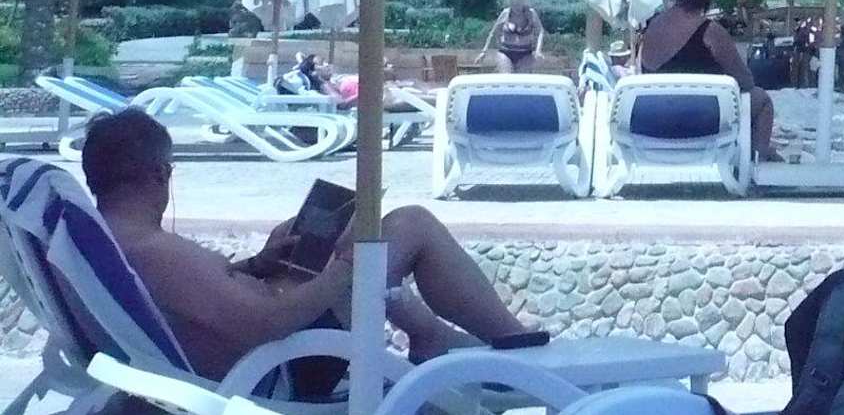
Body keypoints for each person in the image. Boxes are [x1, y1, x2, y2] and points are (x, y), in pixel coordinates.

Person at [81, 109, 529, 380]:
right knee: (412, 224)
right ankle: (517, 346)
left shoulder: (112, 240)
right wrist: (347, 263)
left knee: (336, 238)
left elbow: (200, 302)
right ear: (159, 173)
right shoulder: (153, 251)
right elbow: (269, 323)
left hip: (265, 346)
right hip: (288, 362)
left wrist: (259, 264)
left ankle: (436, 337)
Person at [638, 0, 775, 160]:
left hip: (654, 122)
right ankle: (758, 158)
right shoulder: (711, 33)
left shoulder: (652, 27)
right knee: (761, 100)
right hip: (700, 125)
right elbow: (746, 82)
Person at [479, 0, 544, 73]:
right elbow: (493, 32)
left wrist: (538, 50)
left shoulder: (531, 14)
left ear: (523, 2)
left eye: (518, 4)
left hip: (525, 53)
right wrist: (484, 52)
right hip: (506, 52)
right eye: (513, 4)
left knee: (522, 77)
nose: (516, 7)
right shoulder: (505, 13)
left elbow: (540, 31)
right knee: (507, 76)